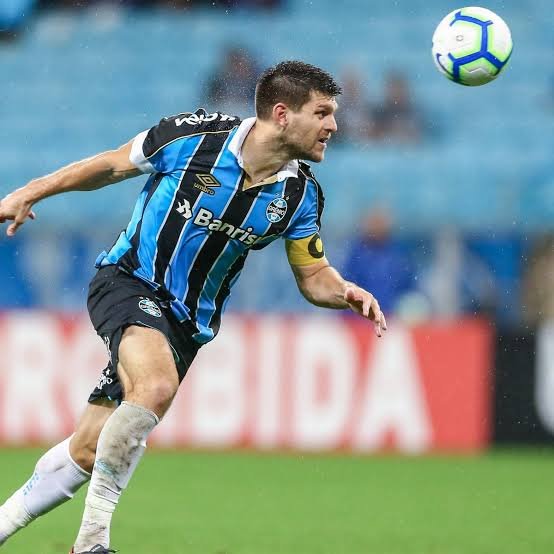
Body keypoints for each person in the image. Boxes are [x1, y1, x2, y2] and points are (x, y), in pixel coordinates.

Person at [0, 60, 386, 553]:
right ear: (282, 113)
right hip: (128, 280)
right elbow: (112, 165)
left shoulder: (300, 194)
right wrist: (29, 192)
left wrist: (344, 290)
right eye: (322, 112)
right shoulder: (194, 137)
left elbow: (313, 275)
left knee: (90, 449)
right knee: (156, 385)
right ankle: (91, 542)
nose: (333, 125)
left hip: (186, 327)